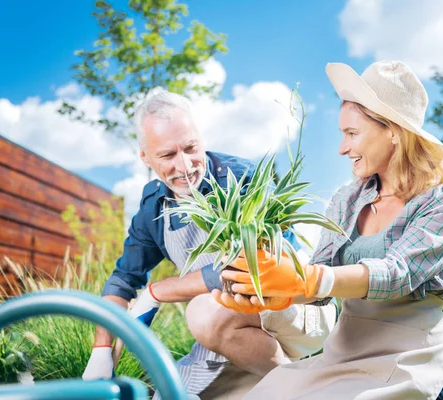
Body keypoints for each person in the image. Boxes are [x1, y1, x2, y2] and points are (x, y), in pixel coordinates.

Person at [217, 60, 443, 399]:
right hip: (343, 356)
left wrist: (310, 278)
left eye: (352, 134)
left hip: (410, 363)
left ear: (393, 131)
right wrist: (270, 294)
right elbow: (319, 279)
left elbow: (398, 273)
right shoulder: (347, 198)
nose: (342, 148)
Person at [81, 90, 337, 398]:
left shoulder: (240, 179)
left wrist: (157, 292)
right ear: (145, 158)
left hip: (297, 309)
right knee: (171, 393)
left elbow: (249, 267)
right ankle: (282, 383)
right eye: (167, 155)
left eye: (190, 148)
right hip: (235, 330)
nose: (185, 165)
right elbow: (122, 281)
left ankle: (302, 391)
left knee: (203, 311)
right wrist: (101, 349)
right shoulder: (153, 209)